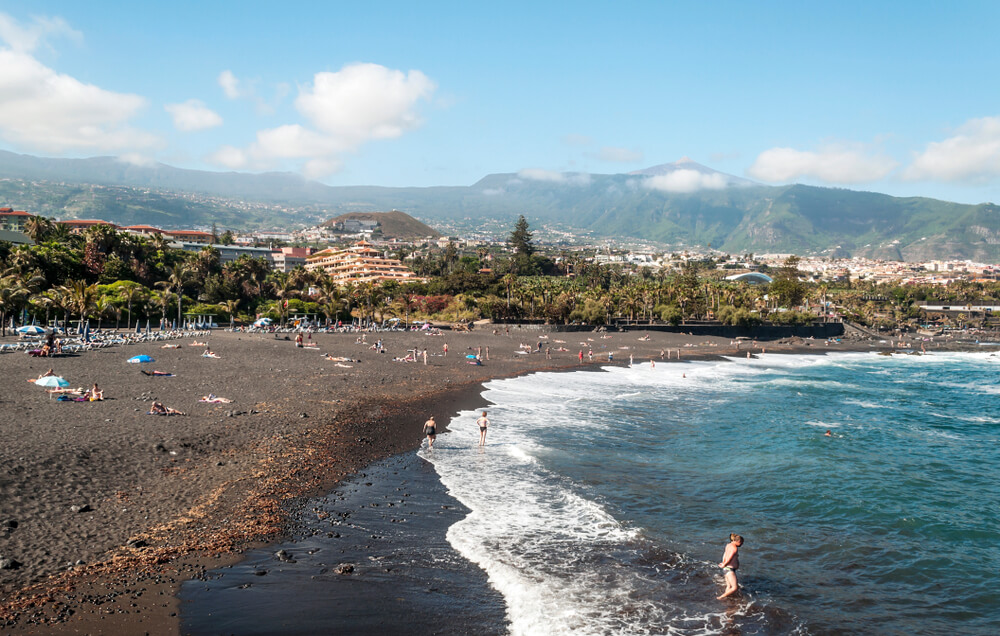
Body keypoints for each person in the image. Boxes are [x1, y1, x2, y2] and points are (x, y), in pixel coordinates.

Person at [717, 533, 744, 599]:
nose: (741, 544)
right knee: (735, 587)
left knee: (729, 586)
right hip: (729, 569)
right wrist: (724, 564)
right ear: (738, 541)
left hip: (726, 569)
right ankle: (721, 597)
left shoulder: (728, 545)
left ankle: (726, 599)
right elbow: (730, 557)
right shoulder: (734, 548)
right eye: (741, 543)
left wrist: (723, 562)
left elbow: (725, 554)